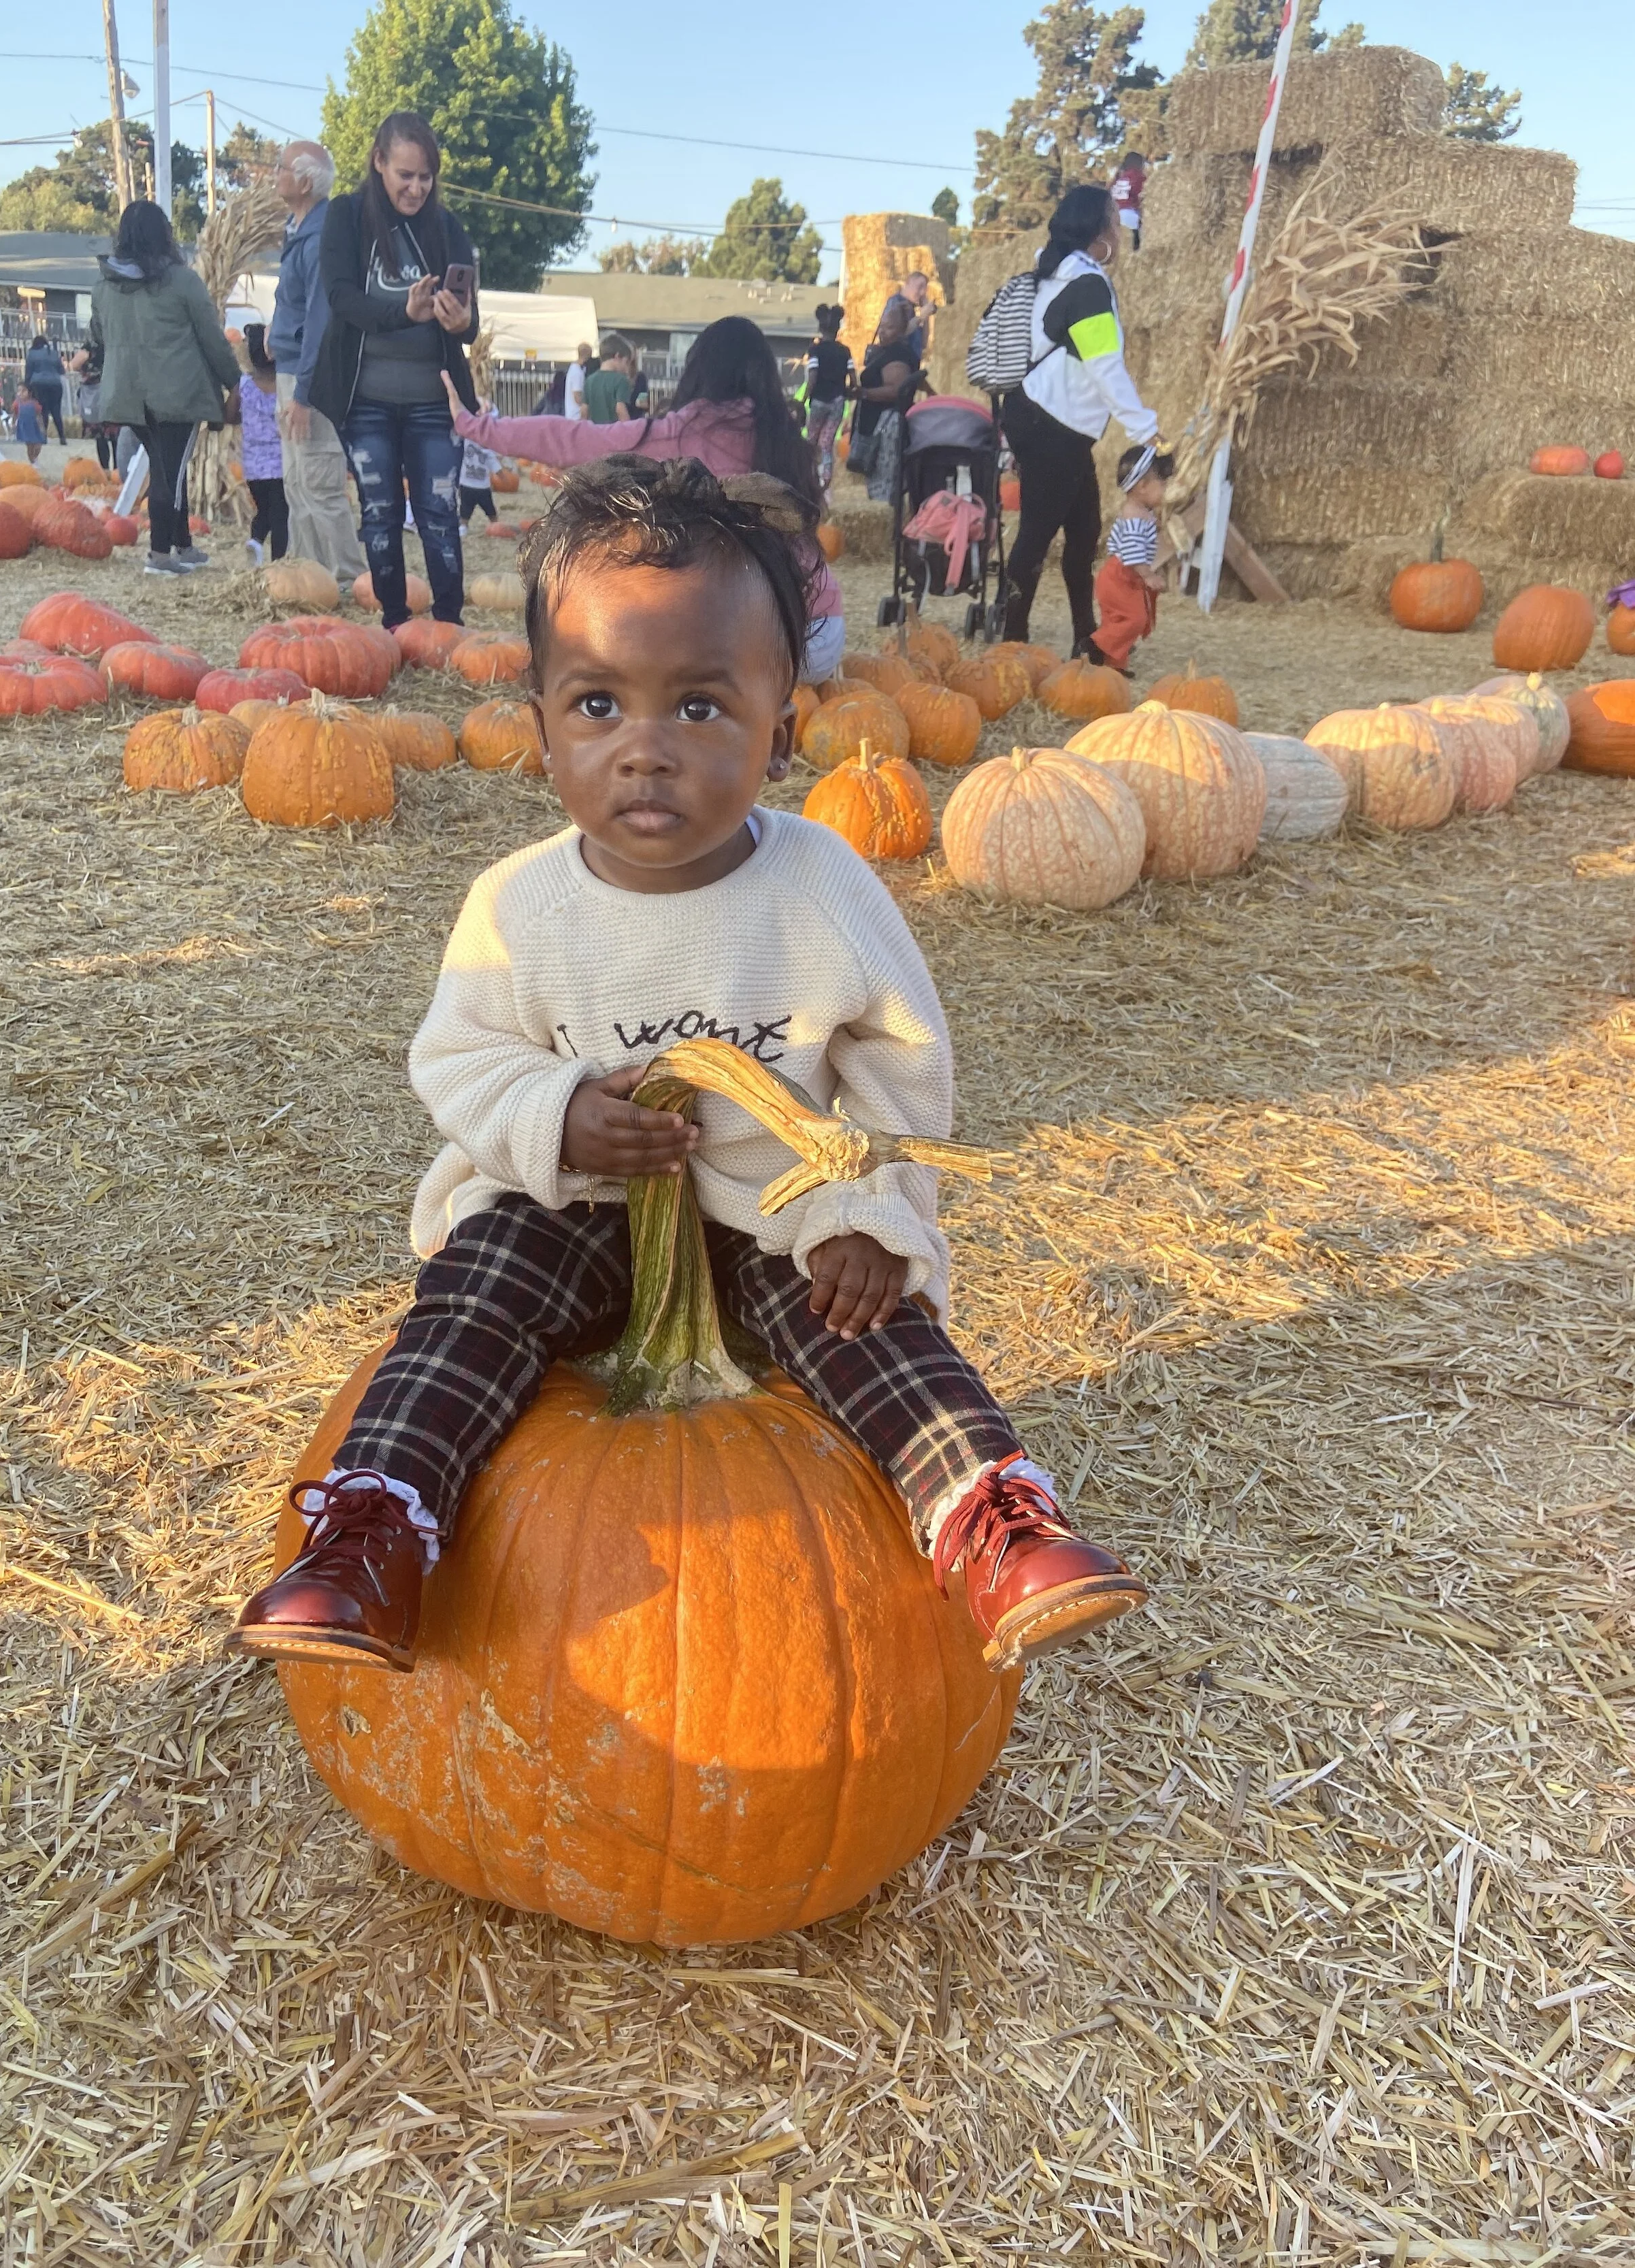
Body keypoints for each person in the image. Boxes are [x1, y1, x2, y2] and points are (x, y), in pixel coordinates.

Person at [226, 452, 1147, 1678]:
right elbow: (460, 1057)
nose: (646, 748)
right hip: (574, 1210)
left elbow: (899, 1061)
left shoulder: (823, 885)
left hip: (774, 1215)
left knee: (869, 1324)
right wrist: (557, 1115)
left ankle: (988, 1513)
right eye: (598, 706)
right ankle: (374, 1530)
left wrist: (871, 1213)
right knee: (471, 1300)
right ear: (541, 726)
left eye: (701, 707)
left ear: (781, 730)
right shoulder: (518, 905)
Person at [440, 312, 846, 682]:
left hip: (759, 643)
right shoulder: (786, 442)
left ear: (697, 372)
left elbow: (568, 438)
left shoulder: (675, 436)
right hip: (823, 633)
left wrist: (475, 426)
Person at [309, 108, 480, 629]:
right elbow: (342, 298)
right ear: (379, 161)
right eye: (406, 175)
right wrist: (402, 313)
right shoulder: (346, 216)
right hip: (366, 400)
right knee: (379, 511)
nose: (416, 188)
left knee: (439, 511)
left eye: (426, 177)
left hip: (435, 399)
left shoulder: (446, 226)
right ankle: (395, 623)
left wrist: (461, 322)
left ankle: (448, 623)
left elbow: (470, 325)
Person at [1000, 183, 1158, 657]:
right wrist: (1143, 427)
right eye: (1115, 220)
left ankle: (1086, 640)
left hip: (1046, 420)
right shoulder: (1088, 285)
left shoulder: (1056, 275)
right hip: (1053, 423)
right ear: (1100, 231)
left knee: (1084, 531)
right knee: (1037, 533)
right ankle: (1012, 644)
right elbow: (1103, 365)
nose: (1121, 229)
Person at [89, 199, 240, 576]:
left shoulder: (104, 286)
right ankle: (159, 556)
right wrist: (235, 381)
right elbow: (212, 338)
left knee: (167, 466)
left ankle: (182, 546)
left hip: (126, 392)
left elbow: (98, 337)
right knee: (169, 472)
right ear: (164, 235)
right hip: (178, 392)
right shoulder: (182, 281)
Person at [269, 139, 368, 588]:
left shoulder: (321, 240)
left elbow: (321, 319)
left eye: (282, 167)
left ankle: (345, 578)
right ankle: (309, 574)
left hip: (311, 378)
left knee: (320, 480)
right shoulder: (299, 231)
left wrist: (305, 393)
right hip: (292, 370)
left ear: (305, 182)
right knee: (297, 480)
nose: (276, 173)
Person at [1094, 443, 1174, 674]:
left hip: (1121, 575)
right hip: (1120, 576)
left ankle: (1113, 666)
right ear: (1143, 486)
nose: (1166, 488)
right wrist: (1148, 575)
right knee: (1135, 619)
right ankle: (1095, 646)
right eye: (1162, 483)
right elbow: (1132, 553)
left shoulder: (1141, 513)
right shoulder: (1135, 519)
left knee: (1118, 620)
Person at [849, 299, 920, 505]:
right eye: (881, 326)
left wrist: (864, 393)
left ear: (902, 330)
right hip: (875, 425)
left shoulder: (899, 355)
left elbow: (896, 390)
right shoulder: (885, 352)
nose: (882, 331)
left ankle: (888, 518)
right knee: (877, 484)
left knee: (885, 486)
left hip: (888, 428)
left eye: (889, 328)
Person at [236, 325, 288, 565]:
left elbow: (229, 415)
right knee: (281, 516)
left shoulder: (244, 386)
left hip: (253, 467)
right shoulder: (285, 388)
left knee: (264, 509)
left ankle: (256, 541)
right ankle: (279, 561)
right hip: (281, 465)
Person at [804, 303, 853, 499]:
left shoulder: (815, 350)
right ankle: (826, 482)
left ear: (820, 327)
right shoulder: (845, 351)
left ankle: (808, 476)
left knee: (811, 440)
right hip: (838, 401)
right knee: (827, 442)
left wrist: (803, 399)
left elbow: (813, 377)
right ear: (838, 328)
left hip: (818, 401)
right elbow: (853, 378)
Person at [23, 334, 67, 444]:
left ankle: (43, 437)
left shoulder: (32, 354)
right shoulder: (54, 353)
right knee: (56, 411)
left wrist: (27, 387)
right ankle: (62, 437)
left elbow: (28, 373)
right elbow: (62, 371)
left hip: (39, 384)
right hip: (56, 384)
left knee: (43, 411)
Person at [878, 272, 931, 356]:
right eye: (920, 287)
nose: (922, 293)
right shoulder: (896, 303)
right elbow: (895, 334)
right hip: (898, 360)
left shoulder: (912, 309)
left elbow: (924, 344)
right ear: (908, 283)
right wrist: (921, 316)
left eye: (925, 289)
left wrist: (926, 316)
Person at [582, 335, 632, 425]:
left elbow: (584, 410)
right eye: (626, 362)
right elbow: (620, 409)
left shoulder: (589, 380)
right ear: (617, 356)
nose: (627, 368)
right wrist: (630, 429)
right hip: (613, 431)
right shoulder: (621, 380)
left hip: (594, 430)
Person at [458, 434, 501, 523]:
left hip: (478, 486)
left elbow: (493, 462)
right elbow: (494, 464)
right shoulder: (466, 441)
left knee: (490, 511)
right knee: (465, 513)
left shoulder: (487, 446)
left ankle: (496, 526)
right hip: (471, 485)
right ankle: (463, 528)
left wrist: (502, 475)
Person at [1111, 153, 1147, 252]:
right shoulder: (1138, 176)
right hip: (1130, 214)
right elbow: (1143, 194)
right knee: (1140, 246)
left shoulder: (1118, 178)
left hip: (1113, 216)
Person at [12, 387, 46, 464]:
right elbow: (15, 414)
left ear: (30, 393)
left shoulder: (35, 404)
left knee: (39, 445)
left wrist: (42, 427)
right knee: (30, 446)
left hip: (34, 427)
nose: (21, 393)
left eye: (23, 391)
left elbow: (39, 416)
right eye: (19, 391)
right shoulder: (17, 404)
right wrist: (13, 423)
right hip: (25, 428)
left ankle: (35, 457)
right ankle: (32, 462)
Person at [563, 341, 593, 420]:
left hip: (572, 416)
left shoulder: (573, 369)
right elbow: (578, 397)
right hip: (577, 416)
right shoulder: (577, 372)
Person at [623, 342, 649, 421]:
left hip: (636, 421)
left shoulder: (641, 377)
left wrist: (643, 403)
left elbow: (643, 402)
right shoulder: (616, 376)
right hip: (618, 422)